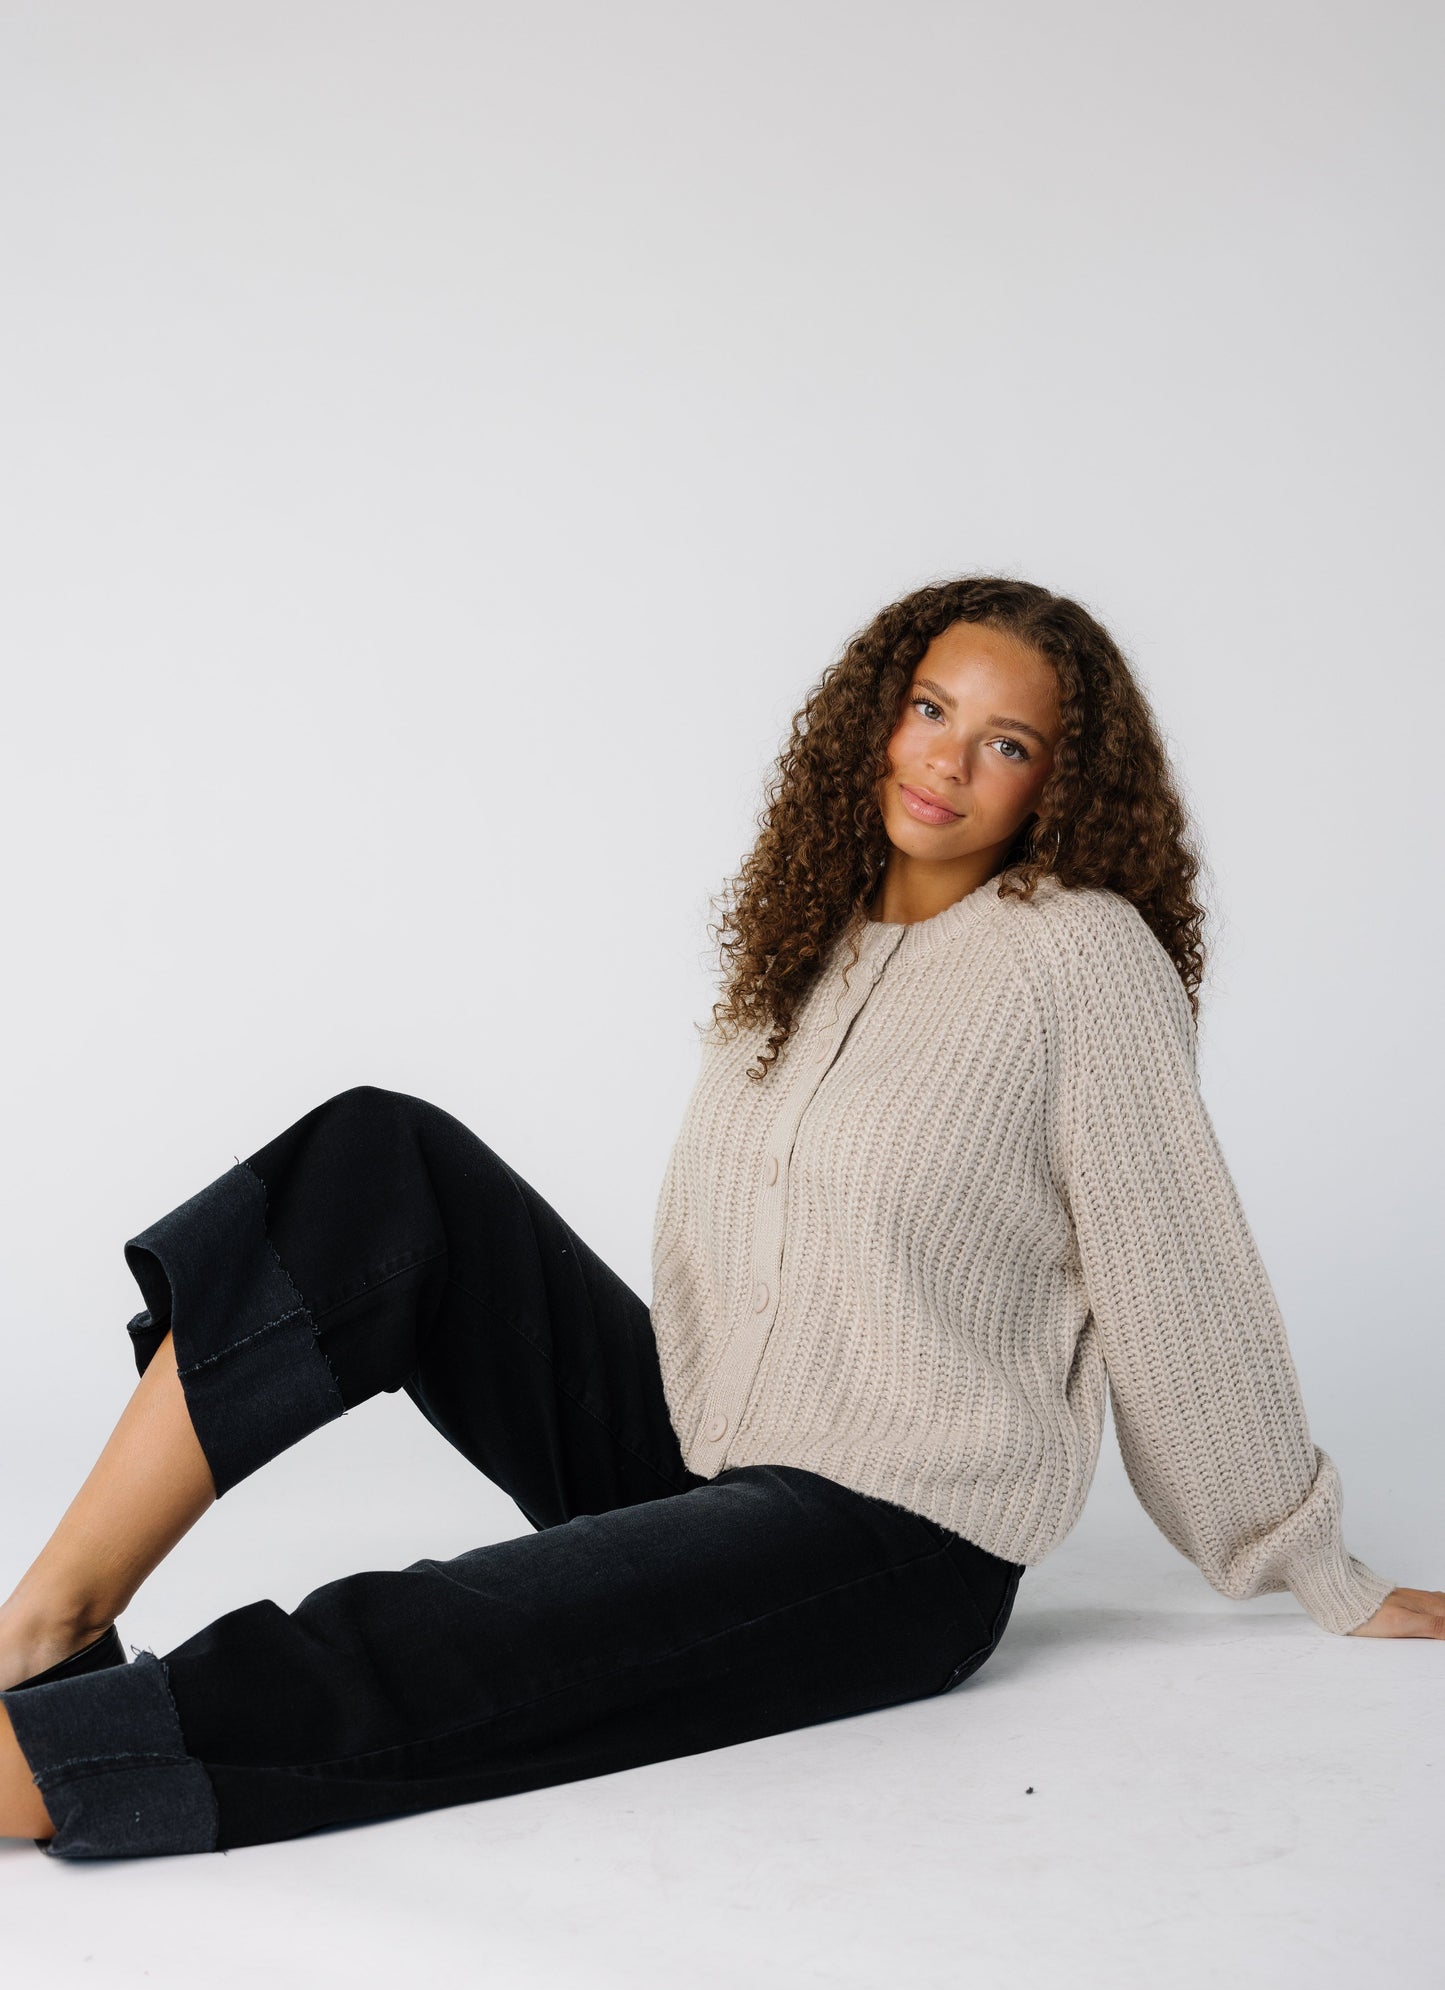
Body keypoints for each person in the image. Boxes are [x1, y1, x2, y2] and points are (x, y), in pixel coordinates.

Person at [2, 574, 1439, 1860]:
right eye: (929, 709)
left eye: (1005, 742)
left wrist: (1301, 1556)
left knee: (458, 1626)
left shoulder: (1079, 956)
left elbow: (1174, 1271)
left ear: (1055, 786)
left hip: (890, 1544)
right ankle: (48, 1626)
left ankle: (40, 1767)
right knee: (384, 1160)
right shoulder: (812, 933)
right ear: (875, 716)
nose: (948, 758)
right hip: (701, 1459)